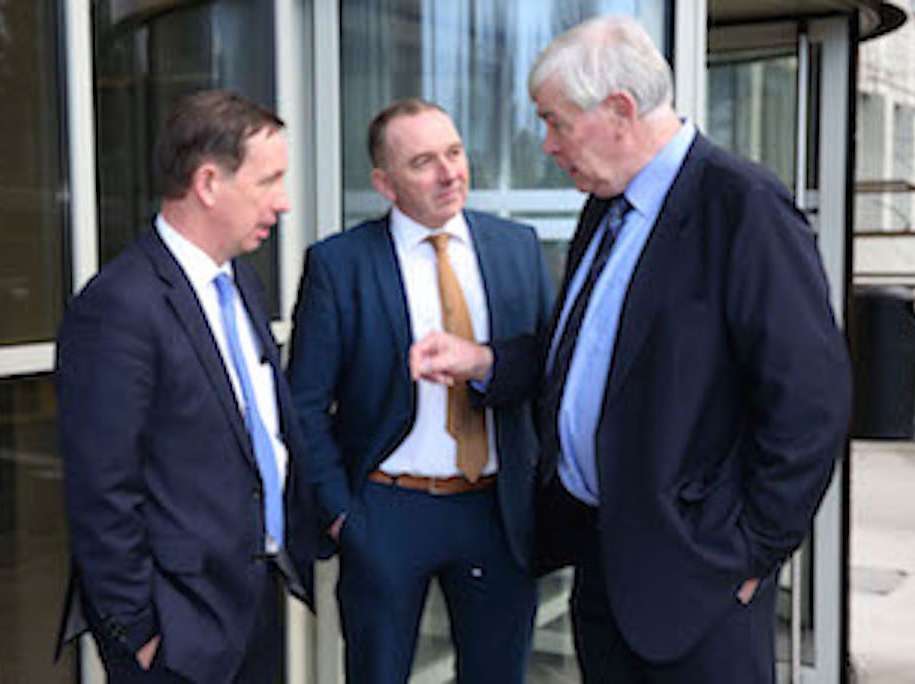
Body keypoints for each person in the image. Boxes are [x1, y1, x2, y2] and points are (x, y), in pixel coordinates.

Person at [409, 16, 851, 684]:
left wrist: (750, 552)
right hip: (604, 566)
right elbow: (593, 358)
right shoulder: (607, 206)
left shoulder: (744, 206)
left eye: (557, 122)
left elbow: (811, 405)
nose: (549, 144)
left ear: (619, 110)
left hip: (696, 587)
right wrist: (487, 364)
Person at [54, 89, 319, 684]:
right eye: (269, 180)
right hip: (177, 631)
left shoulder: (241, 283)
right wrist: (137, 632)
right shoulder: (119, 306)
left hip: (254, 596)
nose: (283, 201)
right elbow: (102, 490)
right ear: (207, 182)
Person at [287, 98, 552, 683]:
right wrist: (341, 516)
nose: (449, 172)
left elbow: (549, 367)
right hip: (386, 510)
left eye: (454, 153)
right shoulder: (339, 264)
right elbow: (304, 404)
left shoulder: (518, 247)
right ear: (385, 183)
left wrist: (484, 361)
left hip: (496, 510)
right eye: (424, 162)